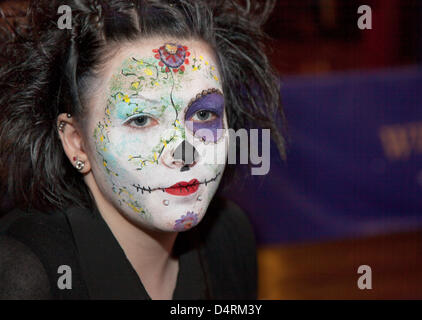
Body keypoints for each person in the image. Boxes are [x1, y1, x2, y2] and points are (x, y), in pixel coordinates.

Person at [0, 0, 285, 300]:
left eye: (204, 114)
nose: (185, 153)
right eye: (141, 119)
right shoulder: (24, 273)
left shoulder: (229, 239)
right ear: (76, 142)